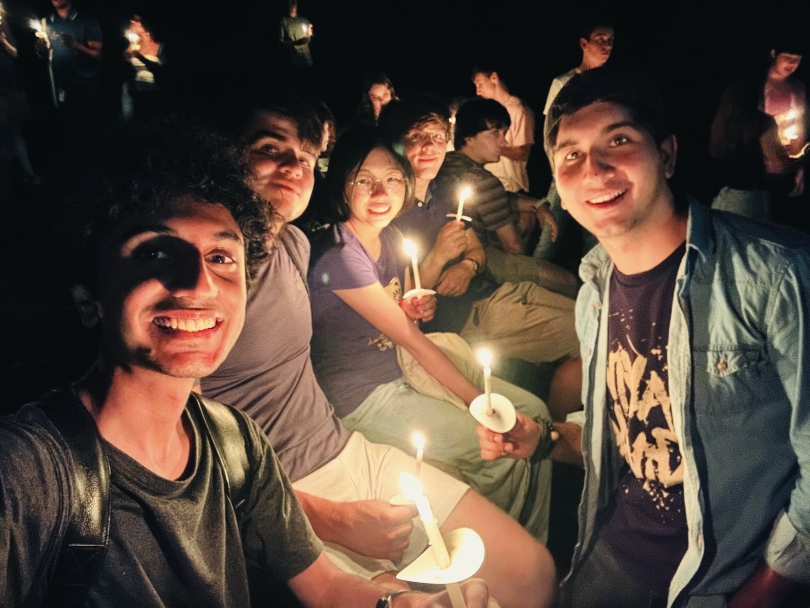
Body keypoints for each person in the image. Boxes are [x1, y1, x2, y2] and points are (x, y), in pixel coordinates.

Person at [0, 115, 494, 608]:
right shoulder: (32, 475)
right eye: (154, 254)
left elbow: (328, 589)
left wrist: (396, 604)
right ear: (89, 296)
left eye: (221, 257)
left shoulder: (236, 443)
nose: (199, 286)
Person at [202, 98, 556, 608]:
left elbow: (386, 323)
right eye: (269, 149)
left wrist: (435, 279)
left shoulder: (295, 247)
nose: (291, 167)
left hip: (345, 445)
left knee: (532, 574)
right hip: (286, 485)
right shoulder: (205, 279)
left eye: (304, 156)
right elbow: (178, 452)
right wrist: (328, 518)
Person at [481, 66, 810, 607]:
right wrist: (542, 437)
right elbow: (636, 431)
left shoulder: (773, 278)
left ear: (669, 154)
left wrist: (764, 593)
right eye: (570, 154)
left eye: (619, 140)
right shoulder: (594, 289)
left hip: (721, 581)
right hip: (609, 556)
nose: (594, 169)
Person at [307, 126, 559, 546]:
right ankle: (508, 553)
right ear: (342, 185)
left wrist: (411, 307)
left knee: (530, 411)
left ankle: (533, 542)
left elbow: (407, 319)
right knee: (499, 447)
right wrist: (475, 402)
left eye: (390, 177)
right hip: (363, 397)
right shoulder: (339, 255)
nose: (380, 190)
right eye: (363, 180)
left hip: (404, 373)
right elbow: (414, 341)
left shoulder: (388, 236)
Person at [381, 95, 582, 420]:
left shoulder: (443, 191)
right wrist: (438, 258)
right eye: (416, 137)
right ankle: (557, 437)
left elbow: (474, 248)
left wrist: (467, 264)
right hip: (466, 319)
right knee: (588, 339)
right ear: (396, 144)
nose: (429, 146)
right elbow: (398, 305)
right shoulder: (389, 213)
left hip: (492, 290)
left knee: (591, 319)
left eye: (436, 136)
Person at [535, 20, 614, 263]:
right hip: (567, 169)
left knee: (595, 238)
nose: (607, 45)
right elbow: (550, 134)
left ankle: (591, 292)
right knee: (550, 234)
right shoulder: (563, 83)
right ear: (584, 43)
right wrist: (557, 171)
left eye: (610, 40)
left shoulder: (612, 84)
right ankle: (530, 283)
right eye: (600, 38)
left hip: (598, 170)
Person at [709, 71, 801, 221]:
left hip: (723, 200)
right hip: (750, 202)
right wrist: (800, 158)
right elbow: (780, 165)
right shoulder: (762, 122)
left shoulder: (720, 123)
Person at [34, 0, 103, 143]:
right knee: (74, 133)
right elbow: (46, 55)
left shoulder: (86, 21)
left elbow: (97, 55)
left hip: (88, 85)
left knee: (94, 132)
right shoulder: (47, 22)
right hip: (63, 87)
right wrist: (41, 49)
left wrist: (75, 45)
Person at [471, 64, 535, 194]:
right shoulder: (489, 110)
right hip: (489, 185)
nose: (477, 91)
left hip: (512, 189)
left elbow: (523, 153)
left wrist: (492, 145)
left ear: (494, 78)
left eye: (480, 84)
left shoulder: (518, 109)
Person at [278, 0, 313, 91]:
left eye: (294, 2)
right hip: (294, 58)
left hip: (306, 57)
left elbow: (310, 37)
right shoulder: (284, 21)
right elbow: (280, 42)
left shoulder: (303, 20)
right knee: (295, 84)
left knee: (307, 83)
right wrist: (296, 42)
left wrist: (309, 34)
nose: (293, 4)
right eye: (290, 2)